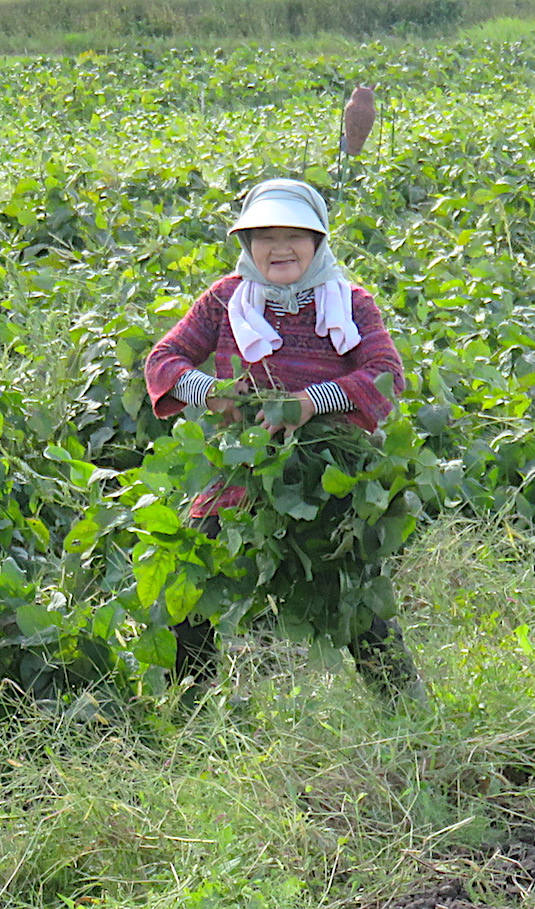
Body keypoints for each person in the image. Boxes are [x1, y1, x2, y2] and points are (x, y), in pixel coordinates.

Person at [143, 178, 424, 704]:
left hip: (327, 475)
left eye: (295, 234)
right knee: (190, 582)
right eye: (263, 236)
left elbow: (387, 375)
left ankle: (408, 716)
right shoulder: (225, 300)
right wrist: (212, 393)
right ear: (246, 246)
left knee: (357, 603)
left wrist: (311, 402)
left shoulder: (351, 303)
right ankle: (189, 711)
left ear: (318, 241)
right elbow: (162, 362)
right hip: (243, 473)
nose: (280, 248)